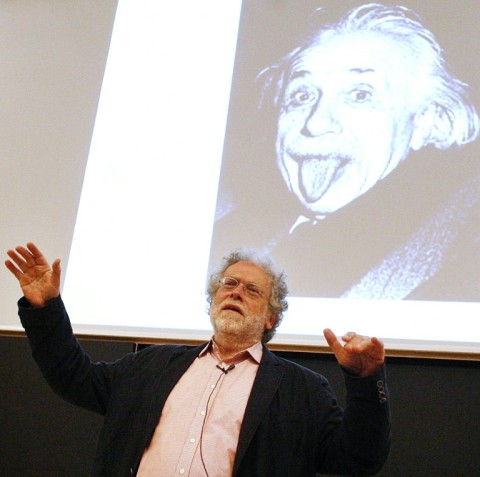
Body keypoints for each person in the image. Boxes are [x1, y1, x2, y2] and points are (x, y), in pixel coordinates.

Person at [6, 242, 390, 477]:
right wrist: (46, 309)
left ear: (271, 317)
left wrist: (365, 380)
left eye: (252, 290)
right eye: (229, 284)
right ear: (214, 299)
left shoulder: (302, 389)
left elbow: (358, 459)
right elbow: (74, 377)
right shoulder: (152, 365)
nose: (236, 292)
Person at [209, 2, 480, 300]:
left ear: (428, 121)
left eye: (360, 94)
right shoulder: (229, 228)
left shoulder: (457, 255)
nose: (315, 123)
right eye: (302, 95)